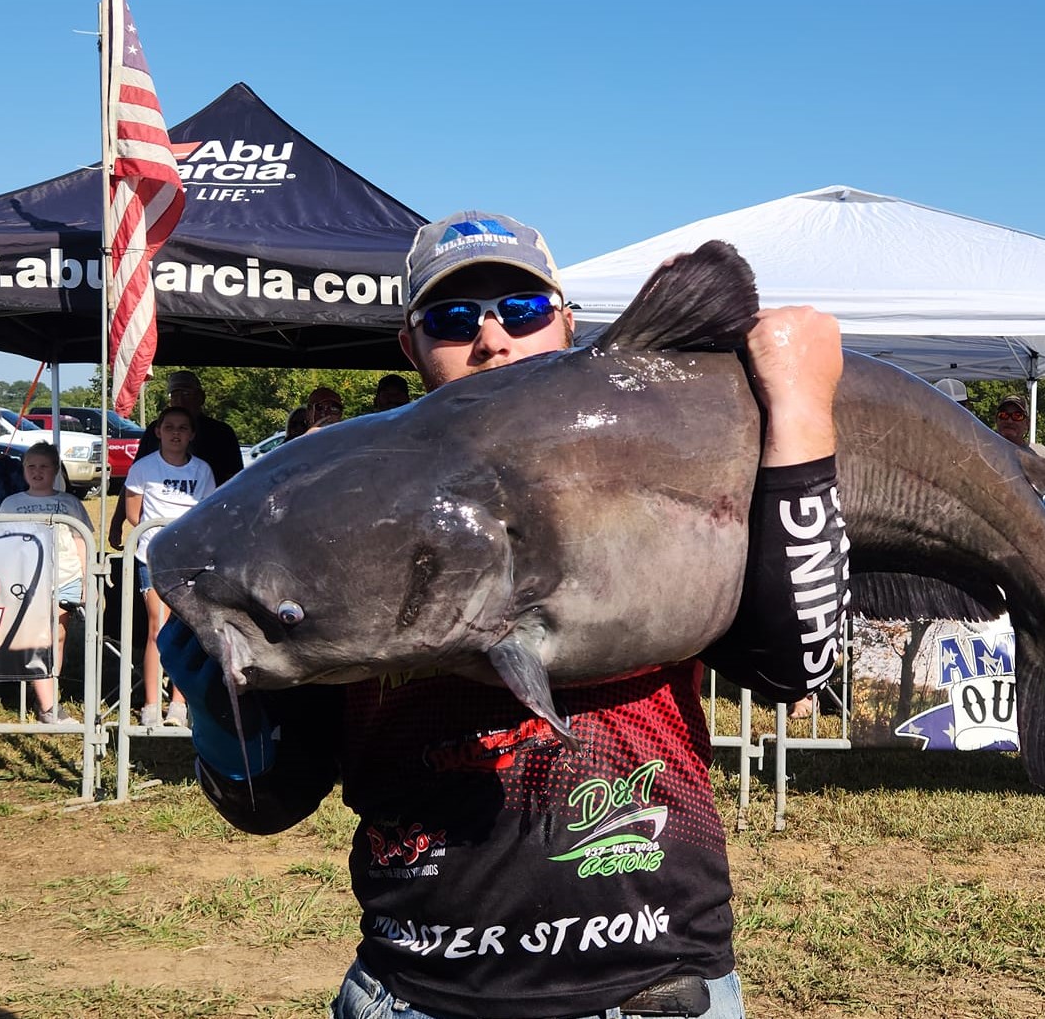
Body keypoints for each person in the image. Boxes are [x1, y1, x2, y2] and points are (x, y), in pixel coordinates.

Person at [161, 210, 847, 1019]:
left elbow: (794, 664)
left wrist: (803, 419)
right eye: (453, 320)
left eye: (519, 310)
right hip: (417, 990)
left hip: (653, 985)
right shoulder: (335, 527)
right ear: (410, 348)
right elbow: (271, 804)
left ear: (566, 321)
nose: (491, 339)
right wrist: (221, 718)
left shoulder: (660, 457)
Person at [123, 406, 216, 728]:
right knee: (157, 627)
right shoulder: (143, 468)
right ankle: (151, 702)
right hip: (153, 556)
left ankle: (178, 702)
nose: (175, 433)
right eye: (169, 427)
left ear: (191, 434)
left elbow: (206, 512)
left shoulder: (202, 470)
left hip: (189, 560)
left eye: (182, 427)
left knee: (185, 628)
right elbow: (135, 514)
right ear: (158, 432)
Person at [0, 442, 92, 725]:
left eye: (44, 466)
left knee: (58, 637)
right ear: (23, 470)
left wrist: (86, 581)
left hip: (67, 576)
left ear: (55, 470)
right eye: (31, 466)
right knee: (41, 639)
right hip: (30, 580)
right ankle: (48, 705)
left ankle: (51, 692)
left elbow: (81, 541)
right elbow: (4, 544)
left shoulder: (70, 503)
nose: (37, 472)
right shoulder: (11, 503)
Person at [109, 370, 243, 550]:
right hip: (157, 536)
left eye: (186, 393)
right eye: (174, 394)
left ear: (201, 397)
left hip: (207, 528)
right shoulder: (154, 431)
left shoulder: (221, 433)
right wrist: (117, 522)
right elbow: (134, 481)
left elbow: (236, 482)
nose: (180, 400)